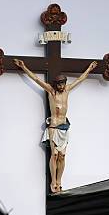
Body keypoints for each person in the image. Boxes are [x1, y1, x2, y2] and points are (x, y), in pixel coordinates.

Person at [14, 58, 98, 193]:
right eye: (59, 84)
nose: (61, 86)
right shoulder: (51, 91)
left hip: (64, 128)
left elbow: (80, 80)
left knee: (62, 156)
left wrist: (89, 69)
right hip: (53, 127)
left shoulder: (67, 90)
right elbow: (36, 79)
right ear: (56, 84)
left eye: (63, 84)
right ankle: (53, 181)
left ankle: (59, 180)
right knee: (54, 155)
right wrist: (24, 67)